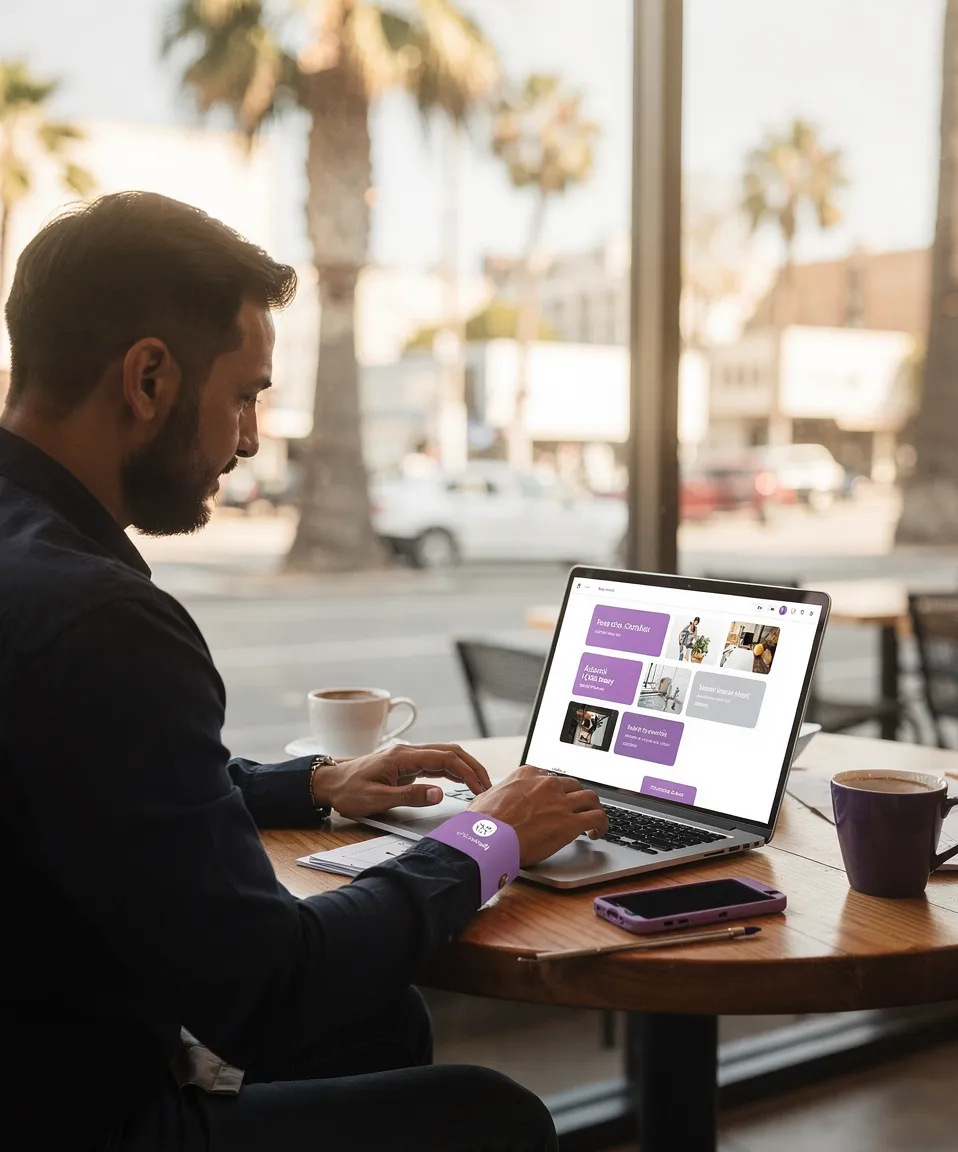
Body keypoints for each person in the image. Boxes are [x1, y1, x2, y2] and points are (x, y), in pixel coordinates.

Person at [0, 192, 609, 1149]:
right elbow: (273, 990)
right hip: (82, 1119)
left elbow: (104, 789)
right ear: (149, 377)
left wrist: (317, 784)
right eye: (243, 395)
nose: (246, 441)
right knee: (496, 1120)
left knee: (382, 1024)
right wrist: (489, 837)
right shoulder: (102, 621)